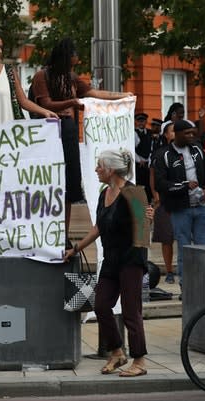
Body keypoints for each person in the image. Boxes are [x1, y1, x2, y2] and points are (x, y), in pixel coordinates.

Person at [29, 37, 132, 239]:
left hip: (67, 132)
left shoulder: (71, 77)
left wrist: (121, 96)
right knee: (51, 184)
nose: (77, 61)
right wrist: (72, 102)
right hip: (48, 133)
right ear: (67, 56)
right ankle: (46, 233)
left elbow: (93, 93)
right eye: (74, 57)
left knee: (68, 186)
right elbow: (45, 104)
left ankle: (64, 235)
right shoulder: (43, 76)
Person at [64, 150, 151, 377]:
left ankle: (139, 361)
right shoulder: (105, 193)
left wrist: (145, 216)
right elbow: (98, 228)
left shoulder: (133, 192)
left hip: (131, 259)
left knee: (132, 311)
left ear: (111, 170)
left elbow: (144, 232)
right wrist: (75, 248)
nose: (96, 170)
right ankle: (117, 352)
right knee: (101, 304)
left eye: (99, 166)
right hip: (111, 259)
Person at [153, 120, 205, 295]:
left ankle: (203, 287)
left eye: (193, 133)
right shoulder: (163, 154)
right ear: (177, 134)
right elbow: (160, 184)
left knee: (204, 249)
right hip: (180, 209)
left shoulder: (197, 150)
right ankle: (186, 288)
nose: (192, 136)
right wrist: (184, 185)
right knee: (185, 249)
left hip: (201, 206)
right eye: (187, 133)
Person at [149, 122, 176, 284]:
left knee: (184, 236)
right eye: (172, 131)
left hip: (183, 201)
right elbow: (152, 175)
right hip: (165, 200)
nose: (175, 133)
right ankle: (170, 270)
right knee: (167, 237)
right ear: (166, 135)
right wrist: (155, 195)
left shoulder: (189, 152)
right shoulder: (159, 153)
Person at [134, 112, 153, 201]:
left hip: (148, 163)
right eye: (139, 121)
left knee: (149, 184)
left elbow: (152, 147)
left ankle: (149, 202)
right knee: (139, 184)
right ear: (135, 122)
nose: (141, 123)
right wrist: (139, 160)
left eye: (143, 121)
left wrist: (149, 160)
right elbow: (132, 149)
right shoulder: (134, 133)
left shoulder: (150, 132)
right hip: (139, 164)